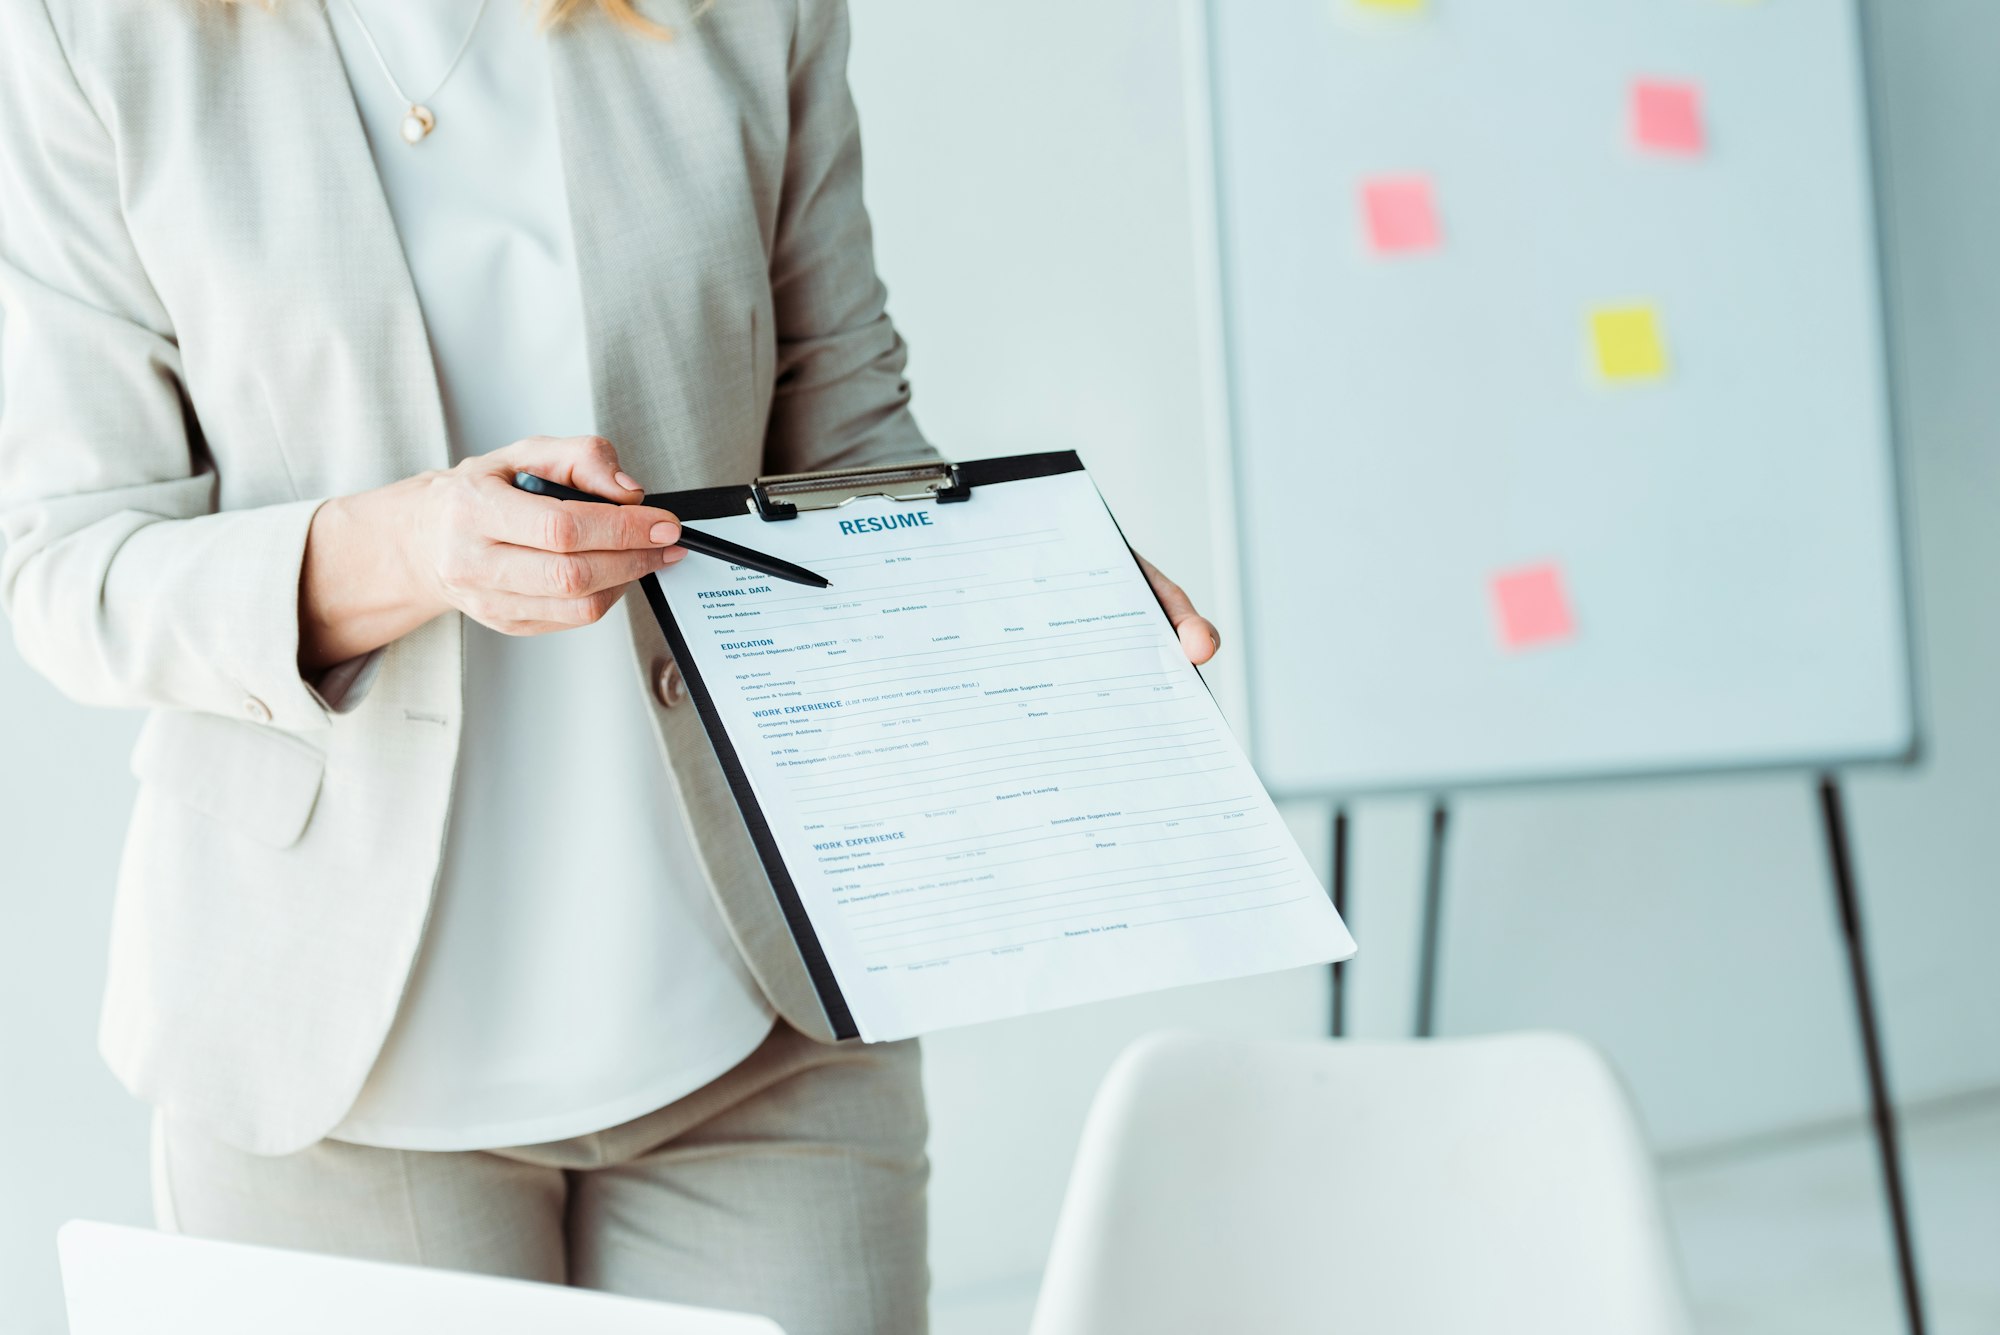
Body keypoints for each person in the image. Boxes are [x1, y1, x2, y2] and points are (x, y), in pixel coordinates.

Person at [0, 0, 1220, 1330]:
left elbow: (838, 418)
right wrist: (406, 549)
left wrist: (1022, 585)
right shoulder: (93, 36)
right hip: (328, 1074)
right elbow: (69, 567)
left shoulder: (751, 15)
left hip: (764, 1027)